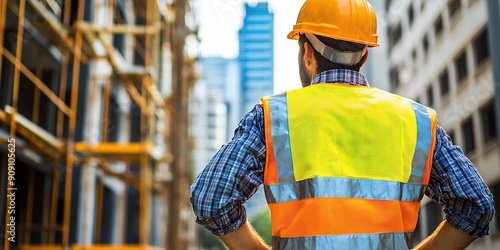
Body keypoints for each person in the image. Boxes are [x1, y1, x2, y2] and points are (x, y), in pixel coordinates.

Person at [190, 0, 495, 249]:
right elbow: (476, 205)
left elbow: (210, 199)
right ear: (364, 57)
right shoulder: (416, 121)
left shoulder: (272, 117)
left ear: (307, 52)